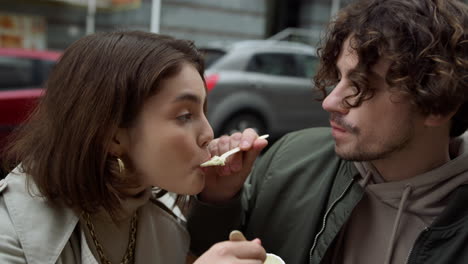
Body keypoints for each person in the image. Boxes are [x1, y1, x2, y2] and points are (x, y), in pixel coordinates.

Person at [187, 0, 468, 263]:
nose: (330, 101)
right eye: (339, 77)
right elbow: (206, 248)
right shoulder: (290, 159)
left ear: (438, 107)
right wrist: (218, 198)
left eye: (362, 86)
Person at [0, 31, 267, 264]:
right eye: (185, 115)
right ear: (112, 136)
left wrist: (217, 197)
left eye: (203, 110)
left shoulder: (167, 222)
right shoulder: (10, 231)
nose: (209, 134)